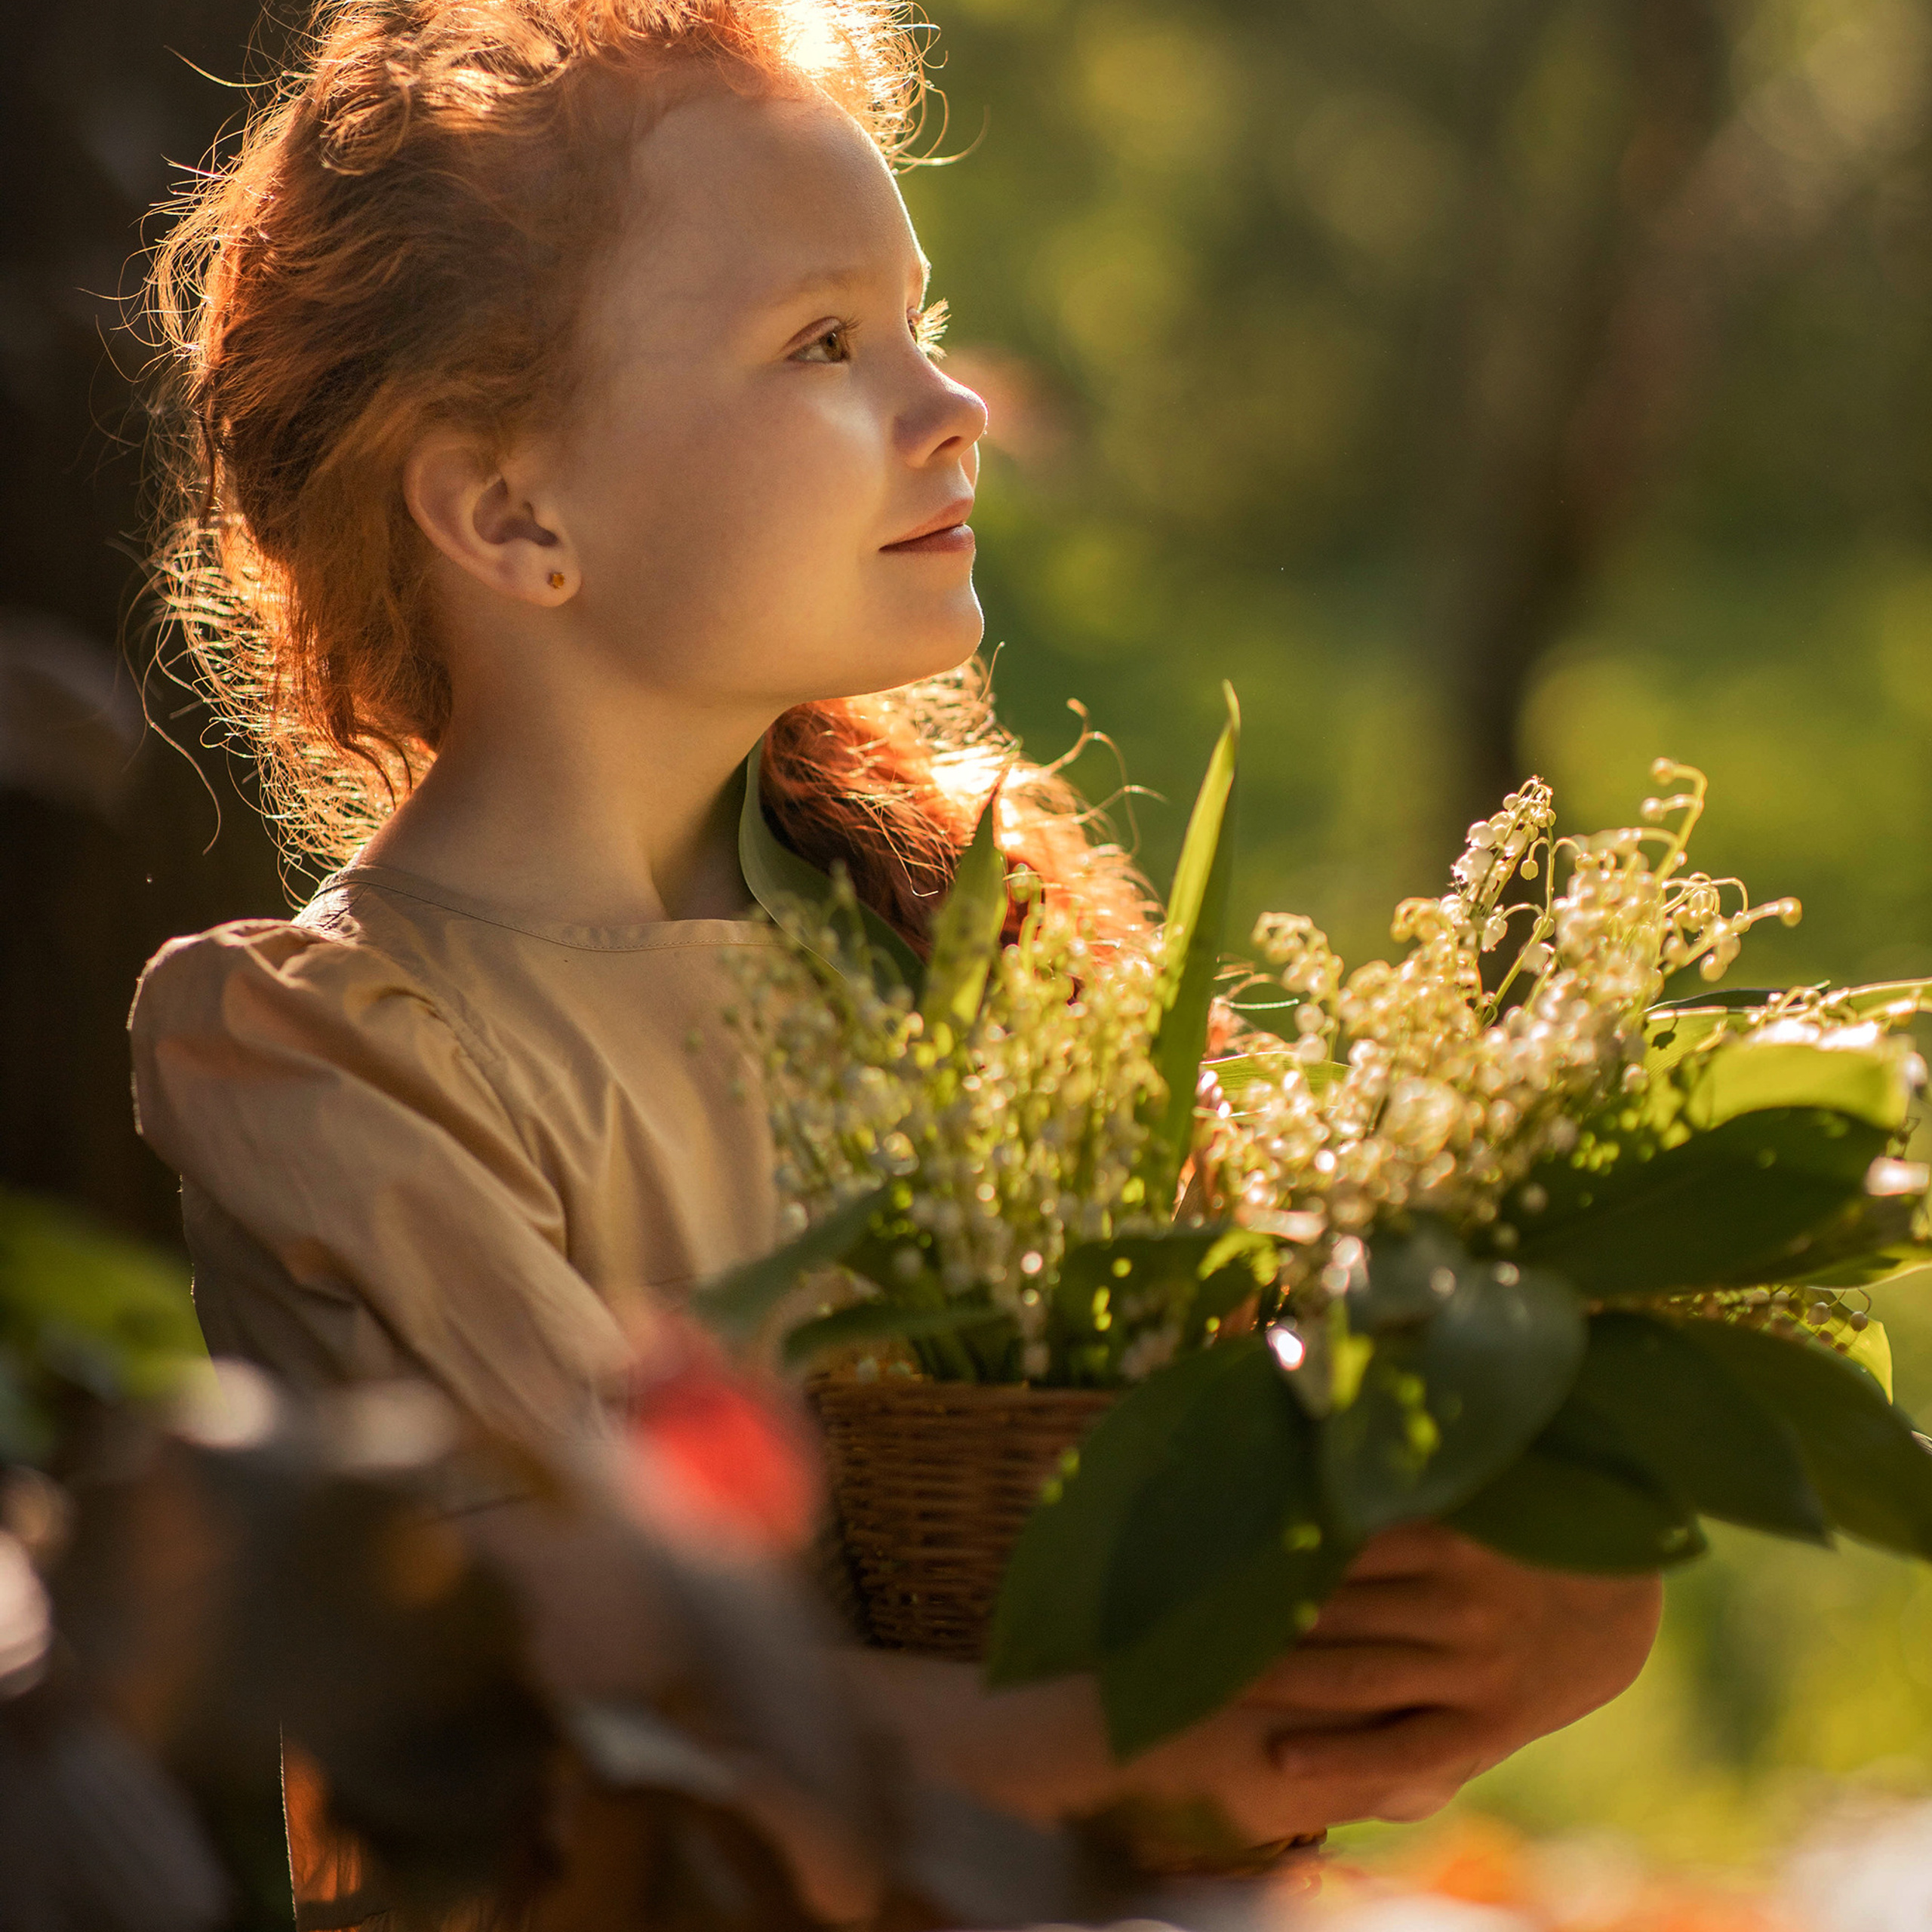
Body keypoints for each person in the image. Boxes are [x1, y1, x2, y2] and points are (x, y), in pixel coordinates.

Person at [128, 0, 1660, 1909]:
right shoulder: (341, 1049)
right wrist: (1113, 1744)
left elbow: (1303, 1377)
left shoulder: (960, 927)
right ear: (511, 509)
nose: (955, 407)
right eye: (824, 345)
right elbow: (585, 1687)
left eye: (916, 323)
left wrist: (1553, 1597)